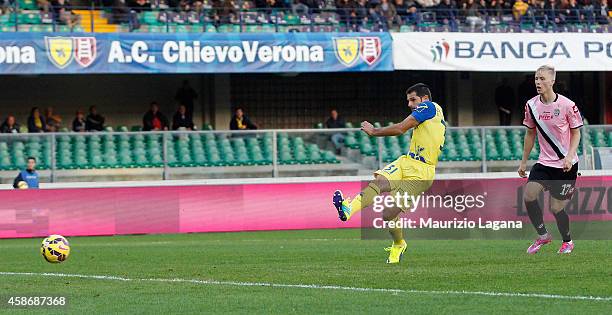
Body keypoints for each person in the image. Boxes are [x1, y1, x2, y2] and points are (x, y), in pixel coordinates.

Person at [333, 83, 446, 264]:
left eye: (413, 99)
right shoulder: (432, 114)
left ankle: (399, 244)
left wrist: (374, 131)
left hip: (421, 173)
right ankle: (348, 210)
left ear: (424, 98)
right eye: (408, 100)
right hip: (407, 161)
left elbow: (401, 128)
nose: (409, 104)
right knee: (378, 183)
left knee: (387, 214)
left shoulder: (429, 106)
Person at [518, 65, 582, 255]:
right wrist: (523, 161)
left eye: (542, 79)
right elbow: (530, 134)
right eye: (536, 79)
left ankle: (568, 241)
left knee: (556, 208)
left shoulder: (567, 105)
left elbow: (576, 132)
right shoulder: (531, 106)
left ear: (552, 81)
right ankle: (543, 236)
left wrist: (570, 156)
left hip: (566, 165)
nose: (538, 82)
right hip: (544, 162)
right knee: (529, 196)